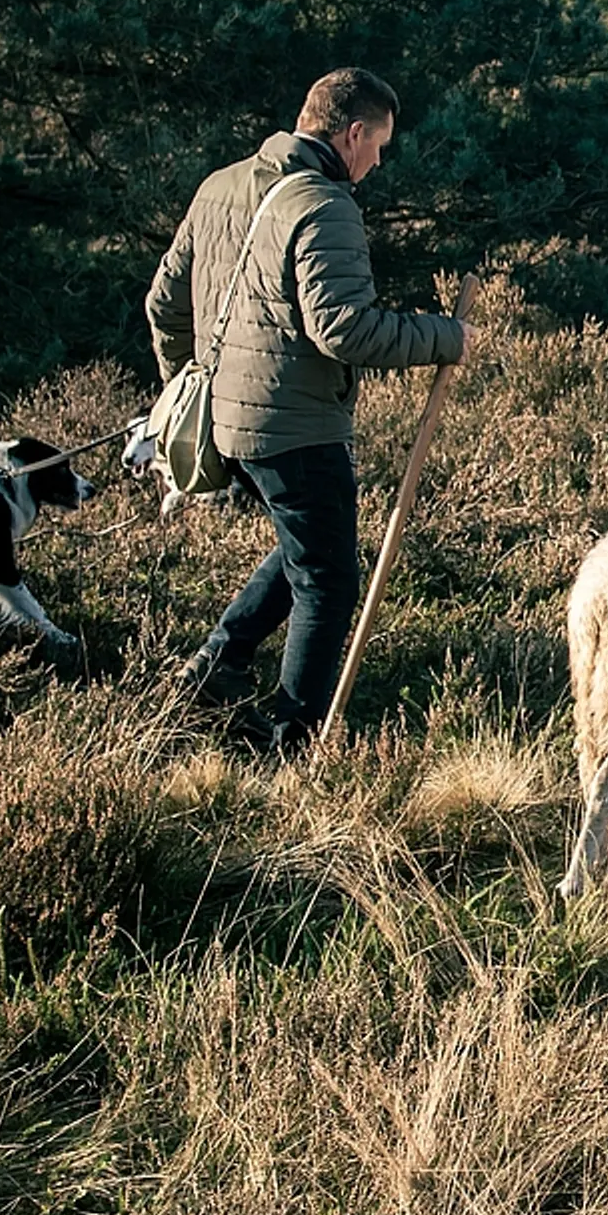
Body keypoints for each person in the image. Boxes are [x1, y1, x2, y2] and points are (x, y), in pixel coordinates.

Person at [146, 69, 471, 748]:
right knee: (327, 580)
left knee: (306, 551)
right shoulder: (325, 204)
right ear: (352, 134)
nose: (377, 163)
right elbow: (344, 329)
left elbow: (163, 304)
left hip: (229, 427)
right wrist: (446, 337)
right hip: (293, 427)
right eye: (377, 146)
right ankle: (293, 737)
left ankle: (216, 665)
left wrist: (194, 385)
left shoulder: (220, 186)